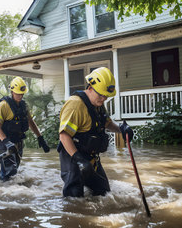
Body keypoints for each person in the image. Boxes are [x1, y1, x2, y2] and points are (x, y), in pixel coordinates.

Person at [57, 67, 134, 197]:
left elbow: (107, 123)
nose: (103, 99)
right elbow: (64, 136)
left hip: (92, 158)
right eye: (101, 95)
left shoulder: (97, 103)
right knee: (74, 200)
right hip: (73, 157)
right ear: (90, 88)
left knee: (103, 192)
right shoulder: (75, 105)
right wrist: (79, 160)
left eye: (106, 96)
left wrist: (121, 129)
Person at [0, 76, 50, 181]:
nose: (20, 96)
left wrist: (40, 138)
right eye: (18, 93)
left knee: (15, 168)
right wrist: (7, 143)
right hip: (3, 141)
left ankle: (8, 187)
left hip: (17, 140)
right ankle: (3, 190)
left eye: (22, 93)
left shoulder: (24, 106)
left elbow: (31, 122)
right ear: (12, 91)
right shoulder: (4, 105)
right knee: (10, 170)